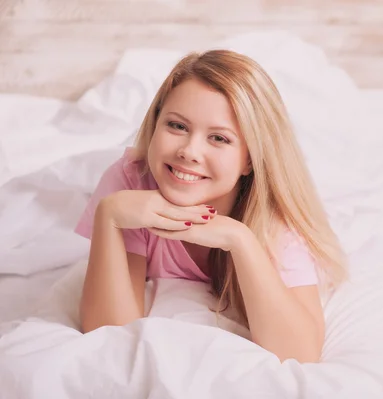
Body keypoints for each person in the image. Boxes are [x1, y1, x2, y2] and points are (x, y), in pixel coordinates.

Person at [75, 49, 347, 363]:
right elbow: (107, 331)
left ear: (249, 159)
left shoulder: (273, 217)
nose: (189, 151)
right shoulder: (131, 181)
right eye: (177, 126)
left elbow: (299, 353)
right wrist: (108, 217)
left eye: (219, 138)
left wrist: (240, 240)